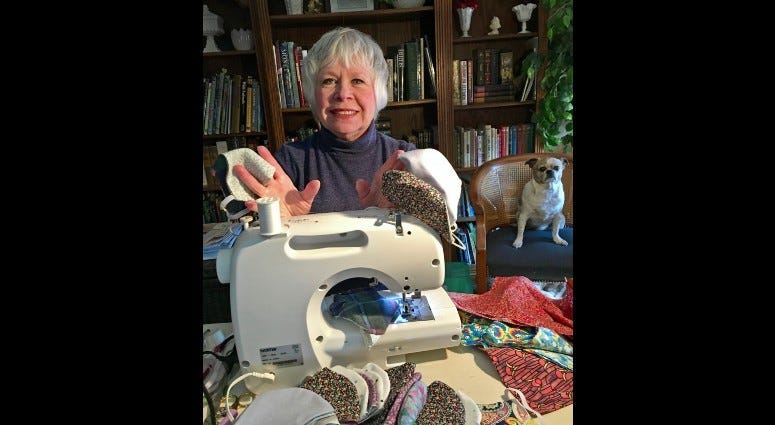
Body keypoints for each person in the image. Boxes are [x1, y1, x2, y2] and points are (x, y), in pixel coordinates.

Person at [233, 27, 416, 219]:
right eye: (329, 81)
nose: (343, 94)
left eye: (357, 80)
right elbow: (246, 229)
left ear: (378, 92)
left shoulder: (405, 159)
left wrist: (384, 218)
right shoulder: (289, 161)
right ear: (313, 93)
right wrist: (286, 222)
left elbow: (437, 230)